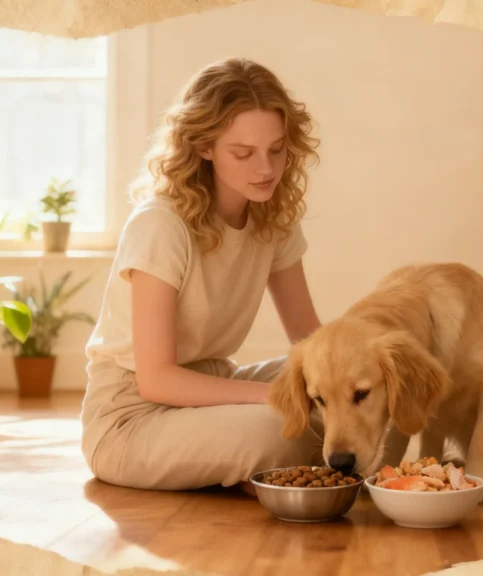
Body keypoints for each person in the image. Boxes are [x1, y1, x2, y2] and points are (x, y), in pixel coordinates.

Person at [79, 58, 330, 491]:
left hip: (214, 386)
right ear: (204, 147)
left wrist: (338, 384)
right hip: (130, 417)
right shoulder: (160, 225)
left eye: (276, 149)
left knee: (338, 387)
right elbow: (156, 379)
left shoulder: (275, 221)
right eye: (243, 153)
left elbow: (311, 346)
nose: (266, 169)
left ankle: (259, 466)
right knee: (278, 426)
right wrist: (281, 399)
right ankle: (267, 463)